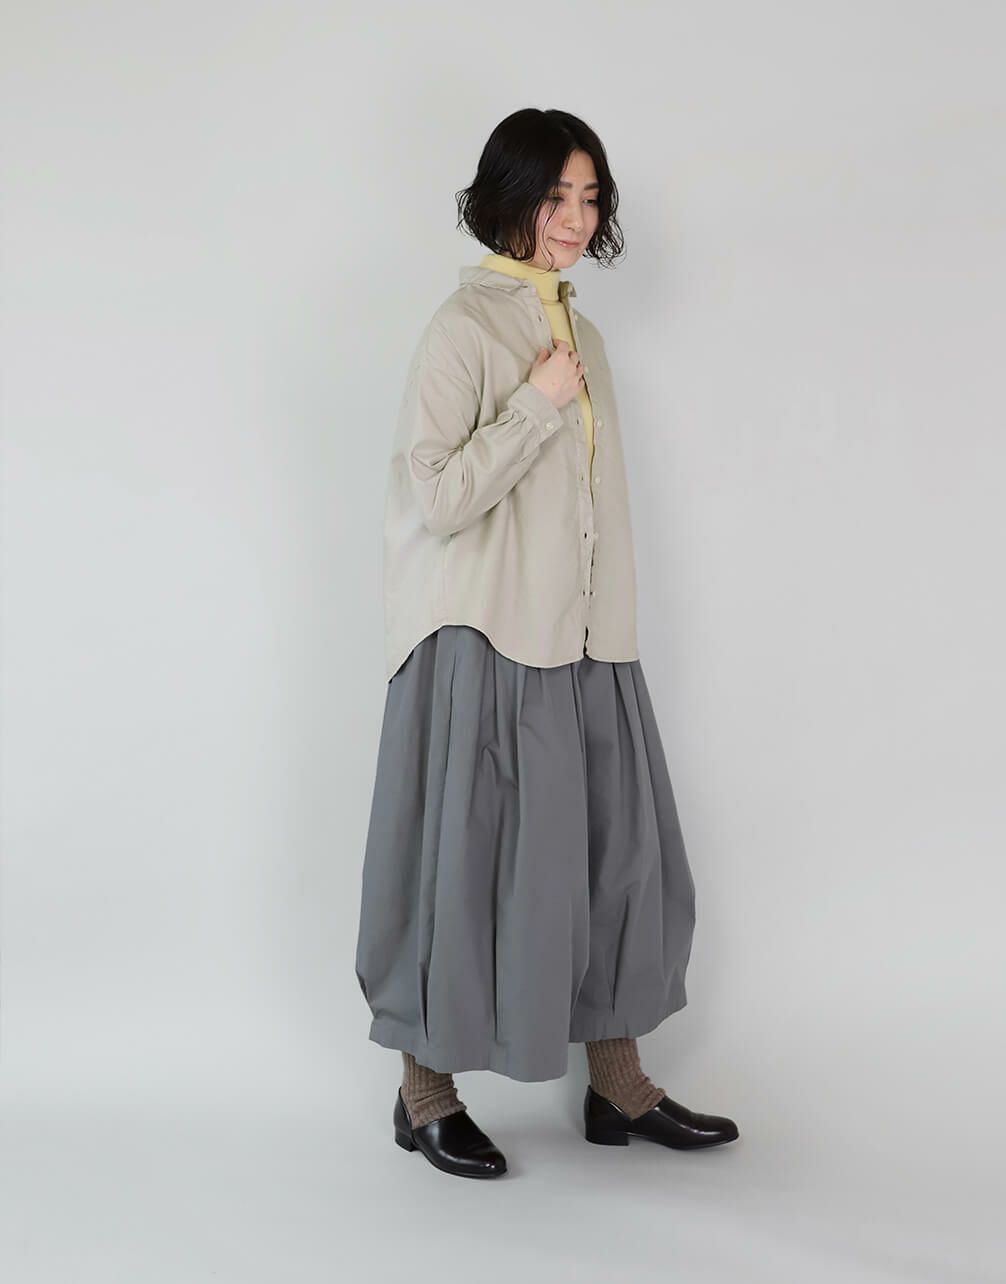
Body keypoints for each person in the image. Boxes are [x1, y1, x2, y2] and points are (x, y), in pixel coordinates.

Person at [354, 107, 739, 1179]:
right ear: (507, 197)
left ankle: (618, 1085)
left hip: (587, 642)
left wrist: (612, 630)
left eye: (588, 196)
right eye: (555, 194)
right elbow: (437, 498)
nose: (574, 217)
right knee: (464, 867)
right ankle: (424, 1092)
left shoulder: (585, 335)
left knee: (615, 859)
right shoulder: (462, 328)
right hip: (484, 639)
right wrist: (534, 402)